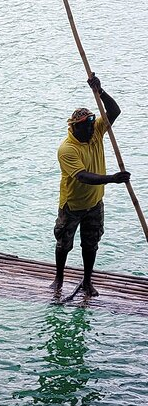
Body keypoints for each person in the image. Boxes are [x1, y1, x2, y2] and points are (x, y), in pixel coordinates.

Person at [52, 74, 131, 297]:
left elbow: (114, 111)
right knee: (64, 243)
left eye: (90, 124)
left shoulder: (95, 131)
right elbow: (83, 176)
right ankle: (59, 278)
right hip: (73, 204)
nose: (90, 130)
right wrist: (112, 178)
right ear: (73, 128)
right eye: (84, 127)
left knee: (91, 244)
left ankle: (87, 281)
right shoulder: (67, 149)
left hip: (95, 202)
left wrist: (100, 91)